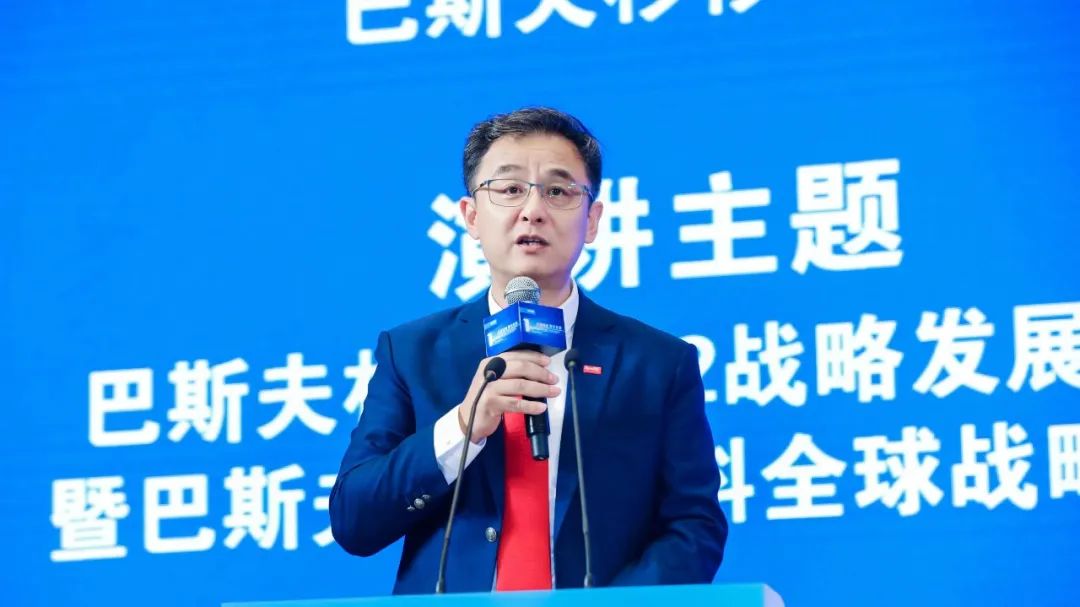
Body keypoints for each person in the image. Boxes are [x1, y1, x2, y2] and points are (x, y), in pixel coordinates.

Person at [329, 107, 727, 594]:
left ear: (592, 219)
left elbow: (693, 526)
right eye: (510, 188)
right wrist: (462, 427)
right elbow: (353, 519)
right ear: (471, 216)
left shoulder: (658, 363)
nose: (533, 209)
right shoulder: (412, 353)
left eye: (558, 191)